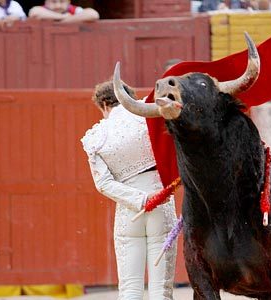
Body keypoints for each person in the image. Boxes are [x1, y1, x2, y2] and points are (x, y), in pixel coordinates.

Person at [81, 81, 177, 299]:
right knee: (161, 289)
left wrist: (140, 200)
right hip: (161, 200)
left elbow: (103, 183)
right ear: (130, 97)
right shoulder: (148, 115)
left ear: (104, 105)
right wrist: (152, 197)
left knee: (130, 288)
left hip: (129, 211)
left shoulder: (96, 137)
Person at [28, 0, 99, 22]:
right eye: (54, 2)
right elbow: (33, 13)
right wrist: (62, 17)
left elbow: (93, 14)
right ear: (46, 2)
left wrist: (65, 21)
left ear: (68, 2)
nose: (58, 6)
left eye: (62, 2)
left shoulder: (74, 10)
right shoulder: (41, 9)